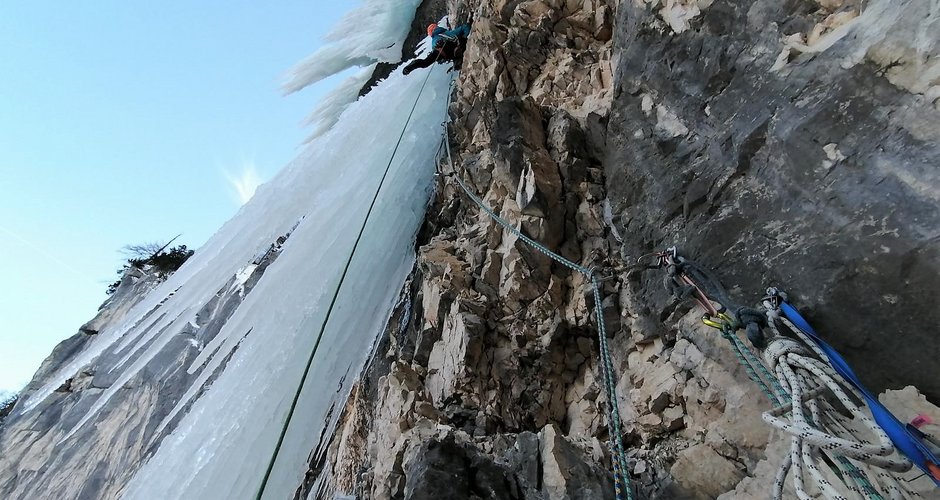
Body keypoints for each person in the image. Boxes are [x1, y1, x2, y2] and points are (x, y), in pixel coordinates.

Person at [403, 22, 472, 75]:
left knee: (425, 63)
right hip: (451, 45)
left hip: (440, 52)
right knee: (461, 42)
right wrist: (465, 36)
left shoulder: (434, 39)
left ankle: (410, 67)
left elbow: (434, 47)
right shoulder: (447, 33)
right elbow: (465, 27)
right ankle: (457, 58)